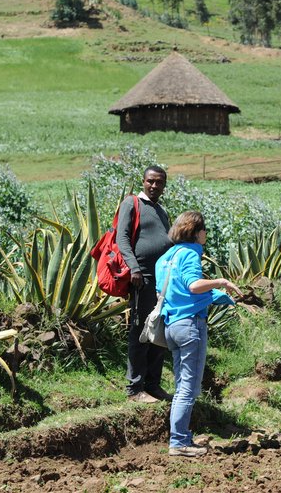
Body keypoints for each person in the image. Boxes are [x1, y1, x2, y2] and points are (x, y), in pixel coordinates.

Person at [156, 211, 241, 457]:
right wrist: (220, 282)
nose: (205, 234)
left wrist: (215, 297)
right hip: (190, 326)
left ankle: (180, 437)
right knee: (188, 389)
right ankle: (179, 442)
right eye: (204, 230)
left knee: (181, 384)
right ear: (196, 232)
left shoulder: (165, 258)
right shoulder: (191, 254)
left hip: (171, 326)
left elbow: (176, 291)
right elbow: (193, 285)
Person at [117, 166, 174, 404]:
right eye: (150, 181)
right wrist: (134, 268)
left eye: (159, 183)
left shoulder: (161, 211)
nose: (154, 186)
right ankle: (134, 389)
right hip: (143, 278)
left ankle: (153, 384)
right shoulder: (132, 203)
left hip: (163, 281)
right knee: (140, 332)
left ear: (164, 185)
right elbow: (122, 237)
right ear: (143, 182)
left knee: (158, 331)